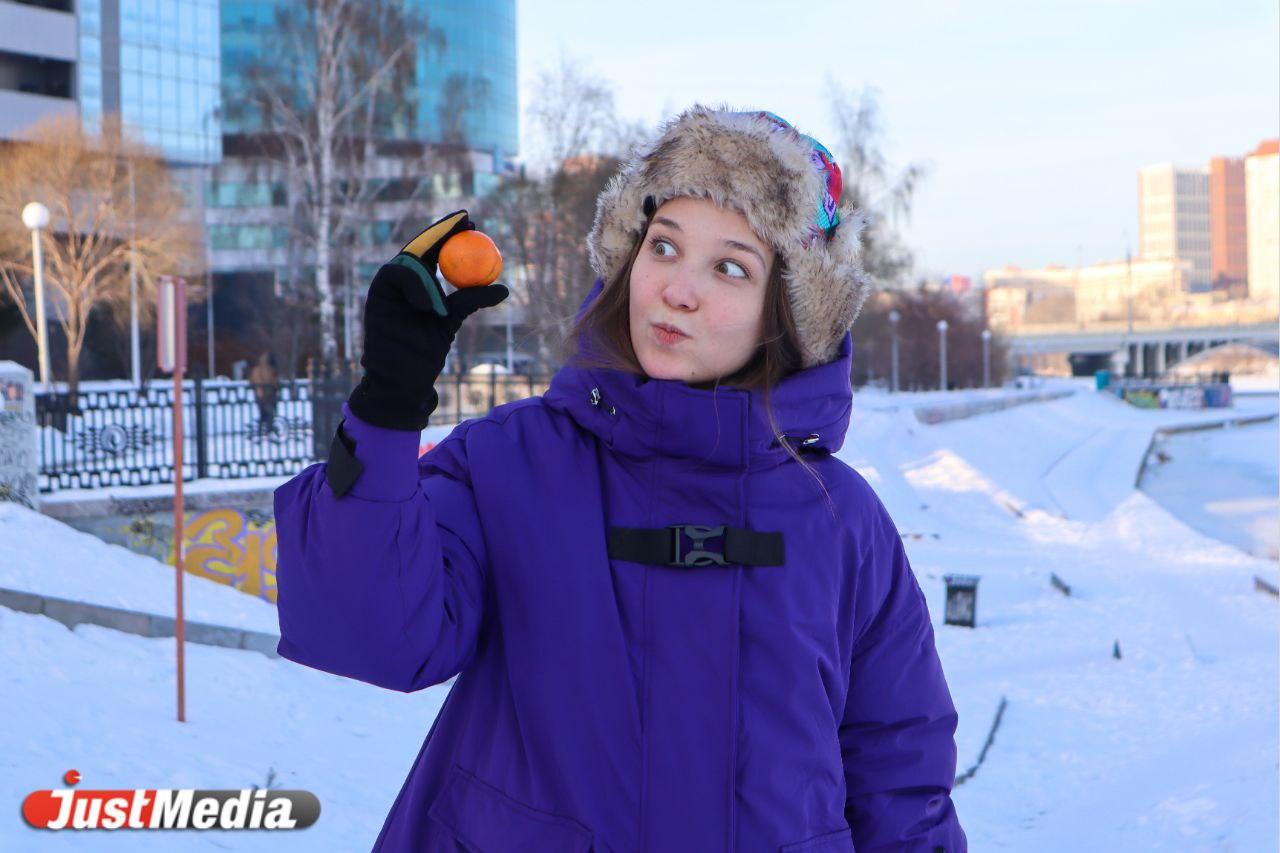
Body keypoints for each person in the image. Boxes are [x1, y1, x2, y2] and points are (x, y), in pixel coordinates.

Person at [273, 105, 967, 852]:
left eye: (729, 266)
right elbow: (371, 634)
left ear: (790, 311)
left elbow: (901, 780)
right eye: (663, 246)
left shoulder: (842, 521)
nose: (677, 288)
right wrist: (386, 404)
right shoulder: (510, 462)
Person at [248, 351, 279, 437]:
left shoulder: (270, 369)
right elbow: (256, 381)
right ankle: (264, 430)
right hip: (263, 394)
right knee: (265, 413)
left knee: (268, 413)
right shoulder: (258, 370)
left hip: (270, 393)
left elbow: (274, 380)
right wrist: (259, 391)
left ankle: (267, 429)